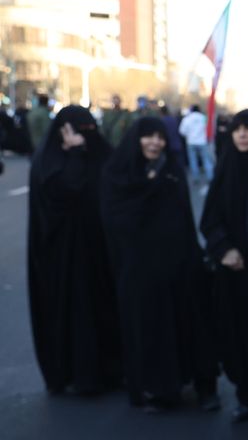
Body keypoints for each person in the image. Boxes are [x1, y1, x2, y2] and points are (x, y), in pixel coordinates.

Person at [99, 116, 219, 413]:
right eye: (149, 136)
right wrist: (148, 188)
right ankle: (160, 389)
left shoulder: (171, 170)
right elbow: (116, 219)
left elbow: (183, 216)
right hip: (140, 267)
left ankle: (204, 386)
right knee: (150, 328)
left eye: (160, 137)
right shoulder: (118, 173)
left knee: (191, 323)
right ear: (136, 139)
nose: (155, 143)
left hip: (179, 262)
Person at [27, 106, 122, 394]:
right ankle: (75, 374)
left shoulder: (102, 154)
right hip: (63, 259)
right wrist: (76, 154)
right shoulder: (49, 162)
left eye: (89, 130)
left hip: (100, 254)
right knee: (72, 315)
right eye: (77, 131)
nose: (85, 136)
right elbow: (69, 187)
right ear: (62, 132)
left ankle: (112, 370)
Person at [199, 109, 248, 424]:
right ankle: (246, 396)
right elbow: (210, 218)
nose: (242, 134)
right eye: (237, 129)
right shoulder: (226, 167)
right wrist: (224, 249)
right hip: (234, 271)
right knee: (237, 333)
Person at [179, 104, 214, 182]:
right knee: (206, 159)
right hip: (202, 141)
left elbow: (182, 131)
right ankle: (210, 177)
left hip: (191, 142)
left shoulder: (187, 118)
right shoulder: (204, 117)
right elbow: (209, 128)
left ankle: (196, 177)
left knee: (193, 161)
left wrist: (189, 135)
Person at [159, 105, 187, 174]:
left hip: (168, 146)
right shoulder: (174, 119)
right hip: (177, 144)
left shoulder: (161, 121)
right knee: (179, 164)